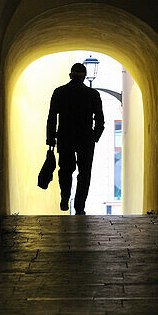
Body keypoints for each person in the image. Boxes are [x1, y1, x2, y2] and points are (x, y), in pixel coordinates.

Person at [46, 62, 104, 214]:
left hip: (65, 137)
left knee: (65, 170)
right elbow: (100, 120)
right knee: (84, 174)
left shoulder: (59, 92)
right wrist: (94, 137)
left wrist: (51, 139)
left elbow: (52, 118)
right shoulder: (93, 95)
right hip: (86, 139)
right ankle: (79, 206)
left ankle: (65, 196)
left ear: (70, 75)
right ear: (85, 77)